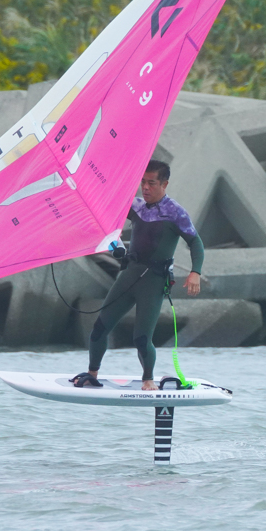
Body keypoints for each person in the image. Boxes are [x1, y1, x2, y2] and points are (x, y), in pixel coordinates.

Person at [72, 160, 204, 390]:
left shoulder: (175, 213)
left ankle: (148, 380)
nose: (145, 187)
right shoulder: (137, 206)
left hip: (153, 282)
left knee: (141, 337)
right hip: (129, 275)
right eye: (143, 182)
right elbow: (104, 207)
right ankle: (92, 374)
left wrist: (195, 272)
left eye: (151, 183)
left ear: (164, 184)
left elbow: (196, 243)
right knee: (100, 327)